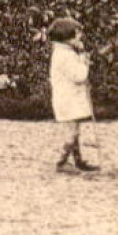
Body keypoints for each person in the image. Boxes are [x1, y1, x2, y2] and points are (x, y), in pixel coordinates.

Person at [48, 17, 98, 173]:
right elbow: (80, 76)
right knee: (72, 133)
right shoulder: (65, 56)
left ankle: (78, 161)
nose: (79, 38)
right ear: (66, 37)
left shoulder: (65, 52)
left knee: (75, 132)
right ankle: (61, 162)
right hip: (68, 100)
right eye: (76, 35)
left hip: (69, 98)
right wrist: (84, 61)